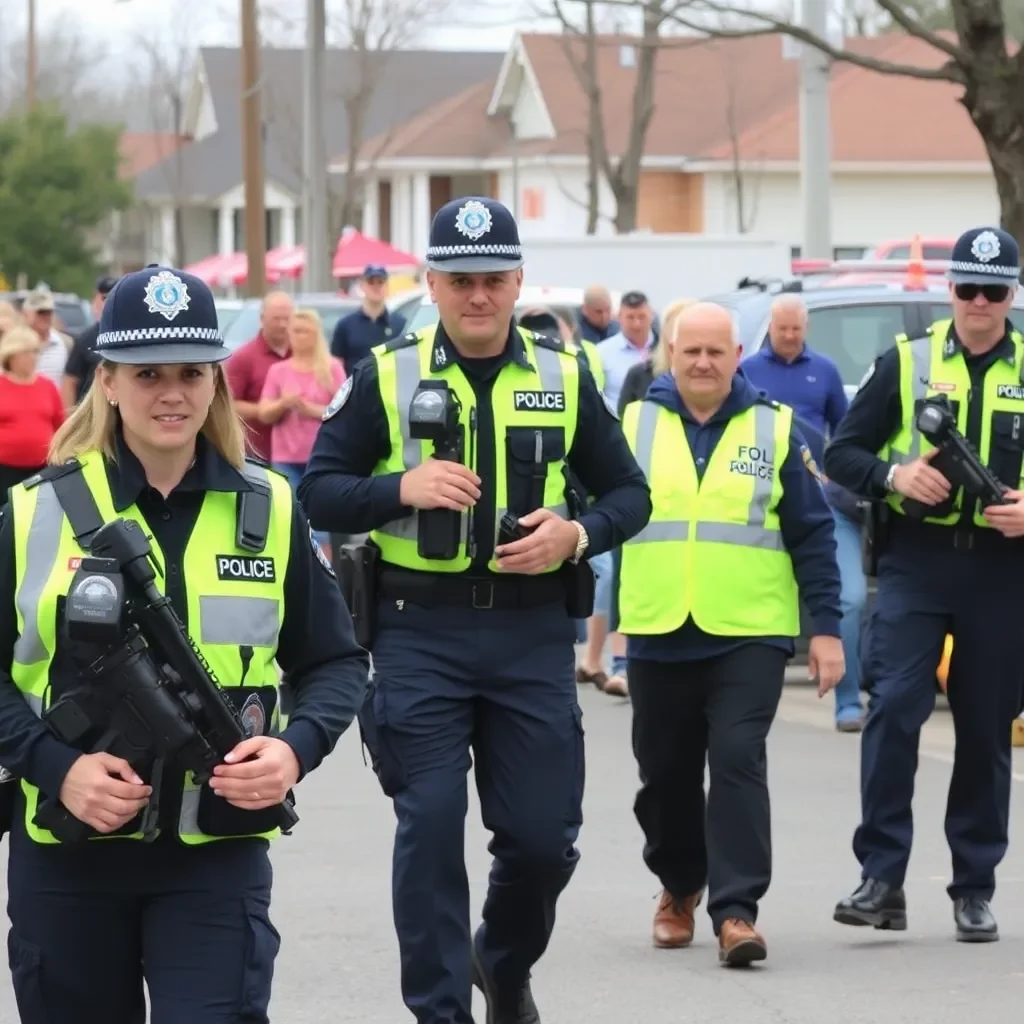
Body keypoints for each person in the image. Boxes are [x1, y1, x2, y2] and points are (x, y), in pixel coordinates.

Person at [299, 196, 651, 1024]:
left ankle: (502, 956)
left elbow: (630, 493)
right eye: (460, 280)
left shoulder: (565, 377)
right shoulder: (386, 375)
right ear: (432, 282)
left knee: (540, 840)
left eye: (493, 278)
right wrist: (399, 488)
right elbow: (316, 489)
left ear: (519, 280)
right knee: (429, 822)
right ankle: (441, 1010)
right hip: (420, 630)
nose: (478, 296)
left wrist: (576, 533)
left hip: (532, 633)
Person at [0, 265, 369, 1023]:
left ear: (216, 383)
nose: (172, 393)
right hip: (70, 853)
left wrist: (294, 749)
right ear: (106, 381)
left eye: (191, 373)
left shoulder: (270, 506)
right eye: (147, 374)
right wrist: (56, 767)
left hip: (215, 856)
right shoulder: (33, 512)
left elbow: (335, 660)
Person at [618, 302, 844, 966]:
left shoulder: (776, 429)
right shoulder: (632, 425)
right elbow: (592, 511)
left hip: (750, 630)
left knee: (739, 759)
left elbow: (813, 533)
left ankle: (737, 911)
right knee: (665, 773)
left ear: (738, 355)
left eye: (717, 352)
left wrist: (826, 631)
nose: (703, 363)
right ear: (671, 354)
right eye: (691, 351)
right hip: (659, 624)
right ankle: (679, 883)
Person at [825, 226, 1024, 943]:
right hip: (916, 557)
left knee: (984, 726)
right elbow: (841, 452)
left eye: (993, 291)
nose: (978, 302)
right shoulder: (907, 363)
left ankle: (973, 886)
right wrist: (893, 476)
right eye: (967, 287)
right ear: (950, 290)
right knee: (896, 707)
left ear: (1011, 295)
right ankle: (882, 876)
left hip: (1002, 569)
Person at [741, 294, 866, 731]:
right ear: (770, 328)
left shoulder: (826, 371)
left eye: (796, 328)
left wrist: (836, 475)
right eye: (782, 329)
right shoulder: (748, 371)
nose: (790, 336)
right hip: (760, 503)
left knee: (850, 598)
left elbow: (847, 435)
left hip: (821, 501)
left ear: (806, 328)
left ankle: (848, 701)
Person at [258, 308, 345, 555]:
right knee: (287, 517)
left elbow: (344, 411)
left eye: (304, 331)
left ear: (316, 334)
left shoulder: (332, 367)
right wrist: (283, 404)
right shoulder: (279, 371)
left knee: (319, 522)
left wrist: (312, 410)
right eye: (294, 331)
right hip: (285, 457)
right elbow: (264, 412)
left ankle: (325, 576)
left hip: (320, 457)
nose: (297, 336)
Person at [226, 290, 294, 460]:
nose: (283, 325)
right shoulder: (243, 358)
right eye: (276, 319)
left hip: (299, 455)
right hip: (258, 454)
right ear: (262, 319)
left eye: (287, 319)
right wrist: (270, 410)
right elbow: (228, 405)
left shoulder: (305, 355)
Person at [0, 326, 65, 496]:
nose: (33, 358)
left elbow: (60, 425)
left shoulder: (47, 386)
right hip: (5, 471)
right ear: (11, 355)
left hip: (42, 470)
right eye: (27, 353)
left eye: (35, 352)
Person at [330, 263, 407, 377]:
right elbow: (337, 363)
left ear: (387, 285)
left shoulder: (400, 324)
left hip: (389, 390)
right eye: (371, 282)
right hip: (356, 390)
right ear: (362, 286)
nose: (376, 287)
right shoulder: (346, 325)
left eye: (380, 282)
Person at [62, 275, 118, 407]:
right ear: (97, 300)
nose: (108, 303)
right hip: (91, 409)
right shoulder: (85, 338)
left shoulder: (130, 335)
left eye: (113, 299)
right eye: (104, 298)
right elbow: (70, 379)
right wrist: (69, 419)